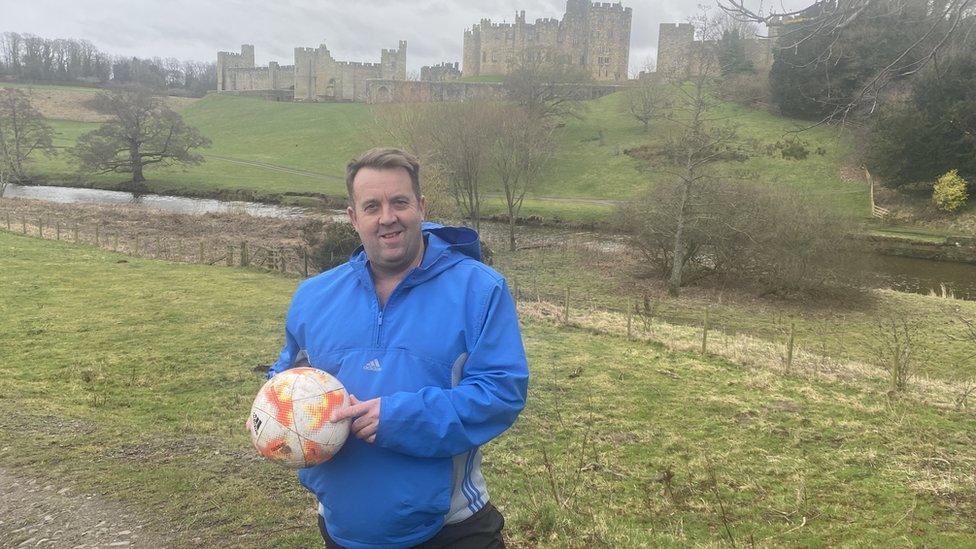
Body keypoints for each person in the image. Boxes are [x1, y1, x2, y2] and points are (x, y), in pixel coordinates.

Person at [267, 147, 529, 549]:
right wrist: (278, 406)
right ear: (353, 218)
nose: (387, 217)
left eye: (399, 202)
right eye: (372, 206)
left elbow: (500, 393)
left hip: (452, 529)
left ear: (421, 207)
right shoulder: (313, 296)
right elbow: (292, 375)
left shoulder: (480, 289)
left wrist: (400, 417)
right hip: (341, 528)